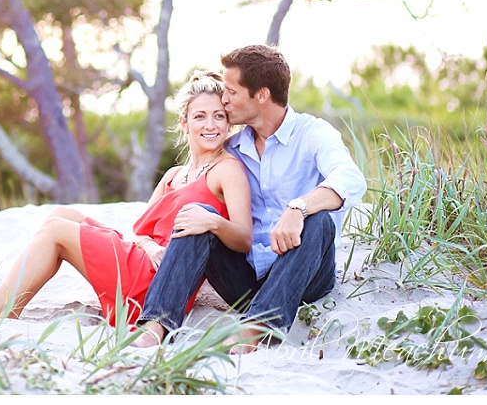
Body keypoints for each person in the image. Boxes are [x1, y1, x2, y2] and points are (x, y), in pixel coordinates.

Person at [133, 45, 367, 352]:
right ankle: (157, 324)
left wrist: (299, 207)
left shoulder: (313, 134)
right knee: (200, 213)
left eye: (231, 91)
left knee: (318, 219)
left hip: (304, 274)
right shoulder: (233, 147)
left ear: (261, 95)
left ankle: (257, 328)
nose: (224, 98)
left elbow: (351, 178)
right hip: (246, 278)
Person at [0, 71, 253, 327]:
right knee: (61, 215)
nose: (210, 125)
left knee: (55, 231)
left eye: (219, 116)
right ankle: (6, 306)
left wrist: (213, 222)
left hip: (161, 282)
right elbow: (138, 233)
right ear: (184, 123)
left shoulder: (227, 169)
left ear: (229, 123)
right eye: (200, 116)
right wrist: (150, 247)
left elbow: (243, 239)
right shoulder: (173, 175)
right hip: (146, 259)